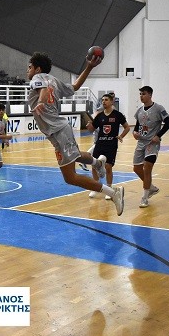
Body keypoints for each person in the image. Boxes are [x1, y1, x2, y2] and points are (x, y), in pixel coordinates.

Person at [27, 52, 125, 215]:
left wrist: (41, 102)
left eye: (30, 67)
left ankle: (113, 193)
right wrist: (89, 67)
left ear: (37, 69)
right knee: (76, 155)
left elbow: (42, 88)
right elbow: (76, 86)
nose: (27, 70)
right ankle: (97, 163)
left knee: (70, 177)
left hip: (58, 130)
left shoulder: (37, 78)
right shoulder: (55, 81)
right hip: (59, 130)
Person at [132, 86, 169, 208]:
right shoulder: (139, 111)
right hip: (141, 142)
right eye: (140, 94)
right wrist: (135, 132)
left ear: (150, 95)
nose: (141, 96)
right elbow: (138, 125)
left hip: (152, 143)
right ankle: (151, 187)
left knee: (147, 168)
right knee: (136, 168)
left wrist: (158, 135)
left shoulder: (158, 108)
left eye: (143, 94)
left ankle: (144, 198)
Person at [86, 93, 130, 199]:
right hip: (100, 143)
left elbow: (127, 127)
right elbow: (92, 129)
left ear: (111, 102)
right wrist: (88, 126)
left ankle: (109, 190)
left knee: (108, 167)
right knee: (94, 165)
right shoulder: (99, 115)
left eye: (106, 100)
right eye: (102, 100)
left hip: (111, 144)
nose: (103, 102)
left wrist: (121, 136)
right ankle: (95, 187)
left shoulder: (117, 115)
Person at [79, 91, 110, 171]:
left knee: (97, 146)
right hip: (99, 128)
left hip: (102, 129)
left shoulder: (110, 108)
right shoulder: (103, 107)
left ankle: (88, 161)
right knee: (97, 145)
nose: (104, 101)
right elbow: (96, 113)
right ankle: (85, 160)